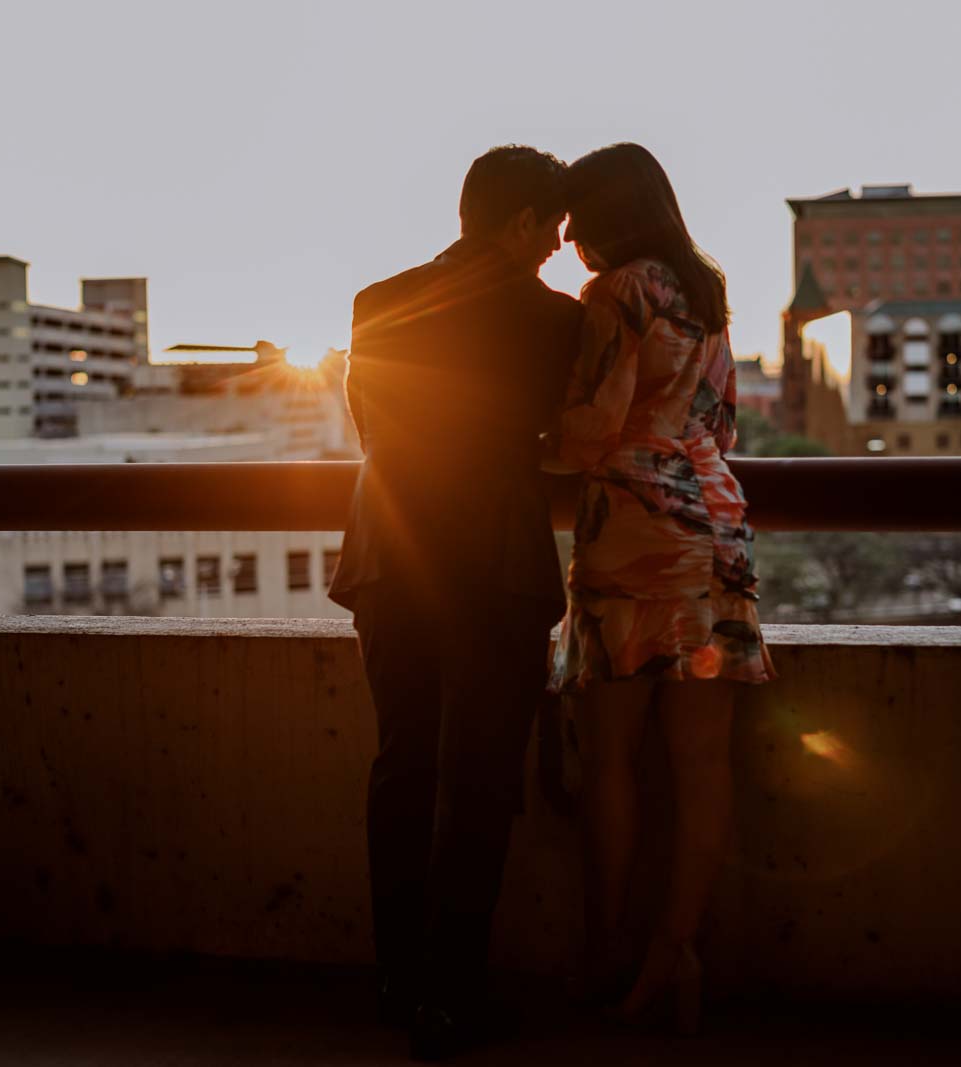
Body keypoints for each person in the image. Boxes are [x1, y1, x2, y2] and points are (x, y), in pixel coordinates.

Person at [328, 145, 583, 1061]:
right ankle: (451, 994)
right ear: (518, 224)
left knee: (402, 767)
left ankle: (396, 981)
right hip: (494, 566)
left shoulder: (377, 301)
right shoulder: (552, 321)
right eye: (552, 227)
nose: (559, 245)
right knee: (477, 787)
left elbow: (375, 431)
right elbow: (564, 438)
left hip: (391, 558)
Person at [546, 142, 776, 1035]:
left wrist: (528, 434)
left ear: (605, 214)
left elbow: (592, 432)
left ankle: (609, 950)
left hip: (637, 535)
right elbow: (720, 421)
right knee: (701, 763)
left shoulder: (617, 293)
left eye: (574, 221)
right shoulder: (705, 290)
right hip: (714, 524)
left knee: (611, 760)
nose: (568, 243)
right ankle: (676, 951)